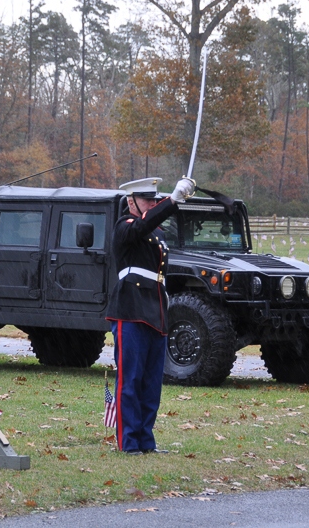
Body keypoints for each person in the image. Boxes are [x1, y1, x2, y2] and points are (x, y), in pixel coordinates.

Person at [106, 176, 195, 454]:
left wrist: (177, 200)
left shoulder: (157, 234)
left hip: (155, 310)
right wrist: (172, 200)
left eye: (155, 199)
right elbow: (142, 226)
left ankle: (146, 440)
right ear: (131, 201)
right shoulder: (125, 226)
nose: (152, 203)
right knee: (130, 380)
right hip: (131, 309)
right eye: (147, 199)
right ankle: (129, 442)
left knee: (152, 382)